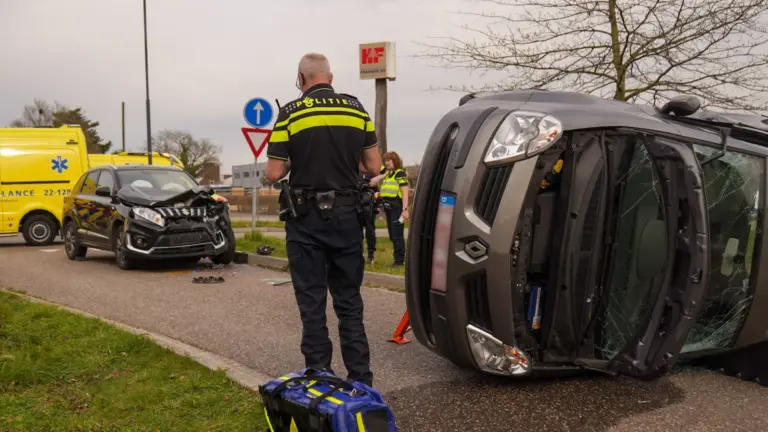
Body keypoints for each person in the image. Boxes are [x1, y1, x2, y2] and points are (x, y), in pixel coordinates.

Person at [264, 52, 382, 387]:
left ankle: (320, 380)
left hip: (305, 221)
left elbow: (273, 173)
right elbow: (373, 167)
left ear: (301, 80)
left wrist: (294, 161)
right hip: (347, 218)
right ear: (330, 77)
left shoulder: (289, 112)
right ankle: (361, 381)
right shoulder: (356, 108)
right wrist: (346, 164)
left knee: (312, 303)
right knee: (349, 303)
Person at [369, 152, 409, 267]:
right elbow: (377, 168)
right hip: (388, 207)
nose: (387, 163)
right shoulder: (387, 173)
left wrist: (405, 209)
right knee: (392, 235)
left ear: (395, 161)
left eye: (389, 160)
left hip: (397, 207)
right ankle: (397, 258)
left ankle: (399, 261)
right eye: (385, 160)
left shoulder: (399, 173)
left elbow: (405, 192)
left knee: (397, 235)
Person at [359, 171, 379, 265]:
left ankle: (371, 255)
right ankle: (359, 253)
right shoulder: (354, 173)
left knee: (370, 231)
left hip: (370, 207)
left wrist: (377, 200)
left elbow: (376, 190)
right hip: (357, 206)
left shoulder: (370, 173)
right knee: (357, 232)